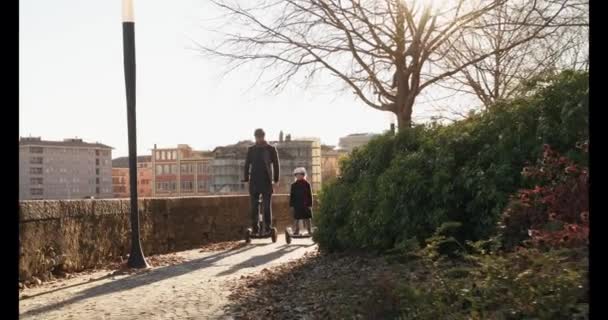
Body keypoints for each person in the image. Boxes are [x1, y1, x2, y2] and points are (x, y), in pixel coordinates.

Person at [243, 128, 280, 235]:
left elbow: (276, 165)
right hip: (254, 181)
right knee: (254, 207)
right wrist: (246, 179)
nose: (259, 139)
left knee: (267, 206)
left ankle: (268, 228)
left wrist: (276, 180)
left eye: (260, 137)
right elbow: (246, 165)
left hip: (267, 181)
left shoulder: (271, 149)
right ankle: (255, 229)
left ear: (264, 137)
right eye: (257, 137)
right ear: (255, 137)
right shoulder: (251, 149)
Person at [289, 167, 313, 235]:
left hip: (306, 204)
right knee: (296, 218)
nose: (299, 176)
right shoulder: (293, 185)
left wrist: (310, 204)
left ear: (303, 175)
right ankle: (296, 230)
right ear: (295, 176)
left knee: (307, 218)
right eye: (297, 175)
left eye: (300, 175)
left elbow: (310, 195)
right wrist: (291, 205)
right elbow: (292, 196)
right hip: (297, 205)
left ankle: (309, 230)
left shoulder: (307, 184)